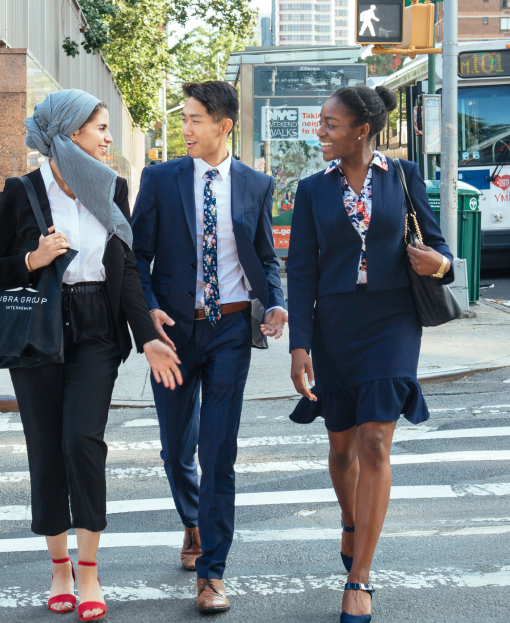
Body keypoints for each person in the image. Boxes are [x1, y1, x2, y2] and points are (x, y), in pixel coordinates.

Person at [0, 89, 182, 621]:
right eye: (100, 128)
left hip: (96, 329)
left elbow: (126, 269)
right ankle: (59, 564)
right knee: (45, 446)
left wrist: (147, 333)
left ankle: (88, 569)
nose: (109, 138)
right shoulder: (22, 191)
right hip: (39, 328)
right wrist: (31, 258)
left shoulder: (111, 187)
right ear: (67, 135)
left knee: (82, 440)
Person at [287, 85, 454, 623]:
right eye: (321, 123)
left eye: (330, 124)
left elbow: (440, 247)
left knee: (376, 441)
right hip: (334, 324)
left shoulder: (402, 176)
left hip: (394, 320)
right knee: (342, 449)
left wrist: (441, 266)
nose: (321, 132)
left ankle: (360, 577)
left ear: (362, 129)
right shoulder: (312, 190)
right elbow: (302, 271)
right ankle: (351, 518)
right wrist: (299, 344)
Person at [132, 81, 288, 613]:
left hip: (230, 329)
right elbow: (138, 260)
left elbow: (266, 257)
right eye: (184, 118)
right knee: (177, 449)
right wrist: (148, 313)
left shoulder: (255, 184)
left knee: (219, 452)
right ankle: (193, 521)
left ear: (225, 126)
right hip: (173, 332)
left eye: (196, 119)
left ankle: (212, 572)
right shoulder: (159, 179)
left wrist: (276, 302)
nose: (186, 128)